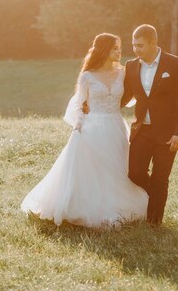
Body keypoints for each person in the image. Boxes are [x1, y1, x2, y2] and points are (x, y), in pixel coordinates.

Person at [21, 33, 148, 228]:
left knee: (117, 168)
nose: (119, 51)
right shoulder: (87, 76)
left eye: (119, 48)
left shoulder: (123, 73)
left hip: (115, 126)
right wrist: (79, 124)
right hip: (93, 127)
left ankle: (114, 207)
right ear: (104, 50)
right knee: (95, 170)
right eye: (115, 48)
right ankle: (90, 207)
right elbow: (79, 105)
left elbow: (136, 95)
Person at [121, 24, 178, 227]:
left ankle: (154, 224)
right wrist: (97, 105)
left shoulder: (175, 64)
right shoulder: (131, 66)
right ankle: (155, 194)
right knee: (134, 173)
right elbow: (125, 97)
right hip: (141, 131)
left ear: (154, 42)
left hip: (168, 134)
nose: (136, 49)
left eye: (140, 45)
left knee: (161, 177)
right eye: (134, 45)